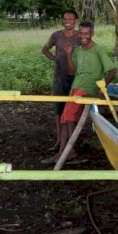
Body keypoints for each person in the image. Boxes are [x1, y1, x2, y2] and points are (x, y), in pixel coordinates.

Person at [52, 21, 117, 162]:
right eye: (81, 33)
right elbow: (71, 71)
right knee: (65, 120)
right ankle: (64, 152)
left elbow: (112, 70)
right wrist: (69, 55)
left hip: (85, 90)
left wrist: (101, 88)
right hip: (75, 89)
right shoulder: (78, 51)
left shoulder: (97, 50)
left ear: (92, 34)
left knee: (68, 118)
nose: (83, 36)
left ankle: (70, 151)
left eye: (86, 33)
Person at [41, 10, 81, 152]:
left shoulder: (80, 36)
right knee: (58, 110)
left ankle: (72, 141)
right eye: (65, 18)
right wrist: (56, 59)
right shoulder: (56, 35)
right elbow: (44, 50)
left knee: (73, 109)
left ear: (76, 20)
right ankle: (59, 139)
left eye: (71, 18)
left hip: (76, 78)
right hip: (59, 77)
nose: (68, 21)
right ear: (62, 21)